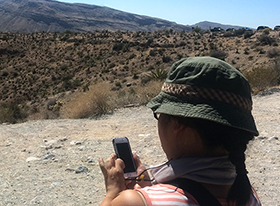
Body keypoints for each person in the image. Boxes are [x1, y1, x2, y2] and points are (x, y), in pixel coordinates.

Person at [98, 56, 260, 206]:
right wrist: (151, 188)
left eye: (159, 114)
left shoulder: (135, 202)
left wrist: (113, 193)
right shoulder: (247, 195)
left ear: (177, 124)